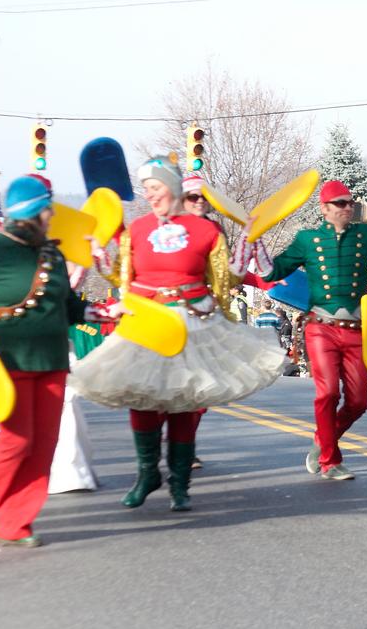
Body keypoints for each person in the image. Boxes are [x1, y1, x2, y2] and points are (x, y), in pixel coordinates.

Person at [71, 155, 286, 511]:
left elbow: (226, 279)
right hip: (146, 323)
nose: (150, 195)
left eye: (155, 187)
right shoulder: (137, 230)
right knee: (142, 397)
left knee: (184, 401)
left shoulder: (207, 232)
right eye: (146, 189)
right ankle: (147, 474)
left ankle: (180, 483)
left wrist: (248, 241)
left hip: (192, 323)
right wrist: (97, 252)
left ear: (171, 187)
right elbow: (119, 277)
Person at [0, 175, 118, 547]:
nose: (52, 216)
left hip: (51, 361)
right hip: (7, 362)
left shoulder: (51, 255)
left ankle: (14, 523)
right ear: (31, 213)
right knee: (15, 441)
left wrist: (104, 312)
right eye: (47, 209)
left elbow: (68, 306)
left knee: (43, 445)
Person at [262, 180, 367, 481]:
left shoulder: (365, 235)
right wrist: (253, 249)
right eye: (340, 203)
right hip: (320, 328)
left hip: (355, 330)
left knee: (359, 401)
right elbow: (275, 270)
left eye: (350, 202)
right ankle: (330, 460)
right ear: (325, 208)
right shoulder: (307, 239)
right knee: (327, 392)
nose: (347, 208)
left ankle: (323, 439)